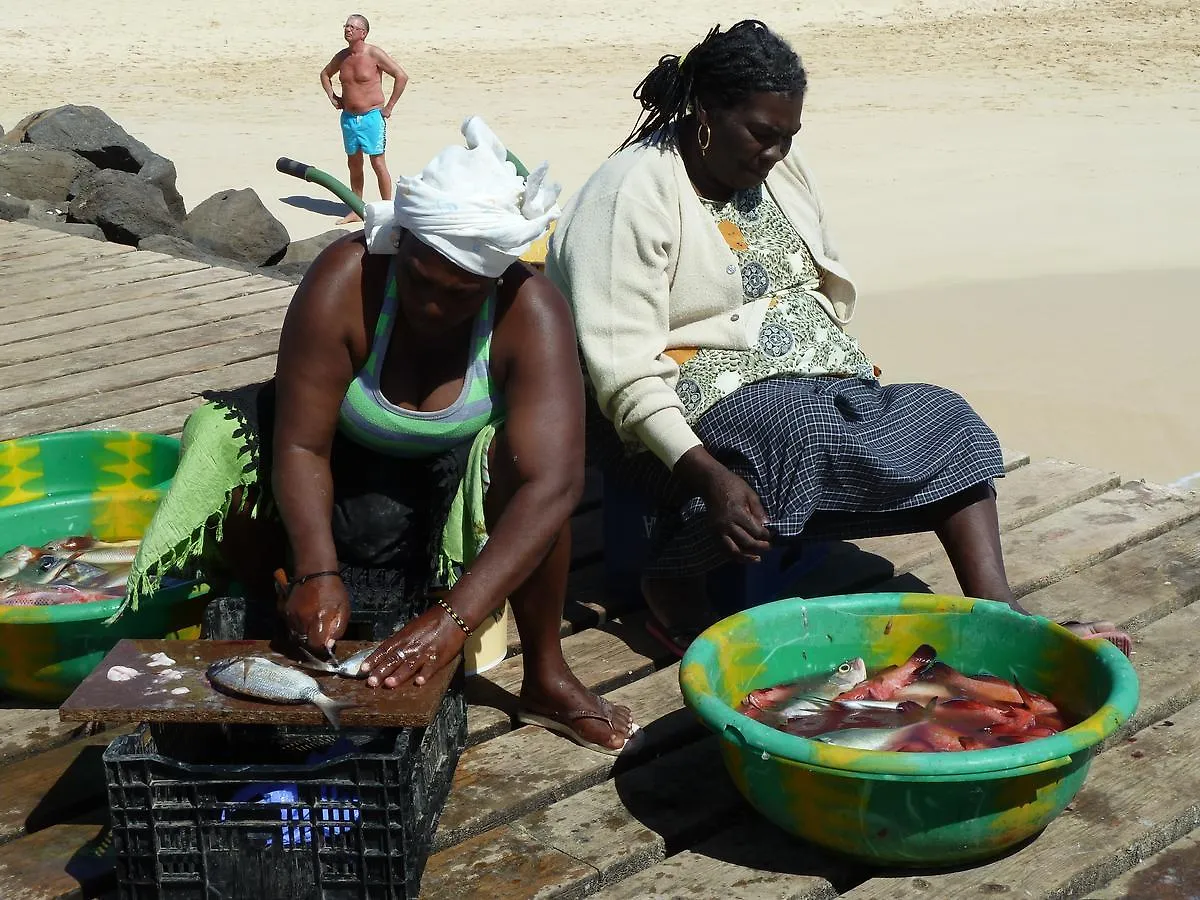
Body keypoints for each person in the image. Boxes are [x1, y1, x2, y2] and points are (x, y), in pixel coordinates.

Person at [546, 21, 1132, 658]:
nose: (775, 153)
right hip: (667, 411)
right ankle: (674, 581)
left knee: (947, 420)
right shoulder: (628, 196)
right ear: (706, 114)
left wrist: (835, 360)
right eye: (763, 135)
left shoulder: (775, 168)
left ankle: (996, 606)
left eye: (788, 137)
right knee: (798, 430)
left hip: (794, 382)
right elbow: (624, 377)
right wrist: (711, 478)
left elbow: (816, 282)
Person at [121, 117, 640, 756]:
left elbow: (555, 484)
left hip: (447, 474)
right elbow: (302, 445)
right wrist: (315, 567)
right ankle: (275, 619)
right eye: (419, 279)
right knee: (218, 436)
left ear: (495, 280)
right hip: (336, 454)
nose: (430, 308)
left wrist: (452, 620)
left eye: (460, 296)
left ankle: (546, 677)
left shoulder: (531, 311)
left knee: (531, 473)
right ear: (402, 245)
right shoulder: (347, 279)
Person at [320, 13, 409, 224]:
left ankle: (387, 208)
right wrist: (333, 97)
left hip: (372, 117)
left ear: (363, 33)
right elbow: (325, 74)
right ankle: (356, 208)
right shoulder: (341, 57)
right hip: (349, 118)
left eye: (352, 27)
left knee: (377, 163)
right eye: (346, 26)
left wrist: (389, 107)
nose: (347, 29)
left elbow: (401, 76)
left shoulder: (374, 54)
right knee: (354, 163)